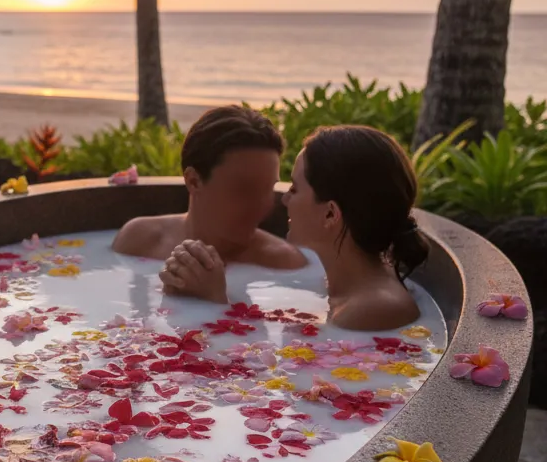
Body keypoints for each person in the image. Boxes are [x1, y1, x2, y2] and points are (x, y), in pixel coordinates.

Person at [161, 125, 429, 331]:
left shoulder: (371, 309)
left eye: (295, 188)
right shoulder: (348, 288)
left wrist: (215, 303)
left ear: (329, 214)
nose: (285, 199)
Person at [112, 105, 305, 270]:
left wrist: (216, 299)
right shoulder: (138, 241)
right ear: (194, 181)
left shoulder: (283, 262)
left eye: (268, 189)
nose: (261, 205)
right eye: (244, 189)